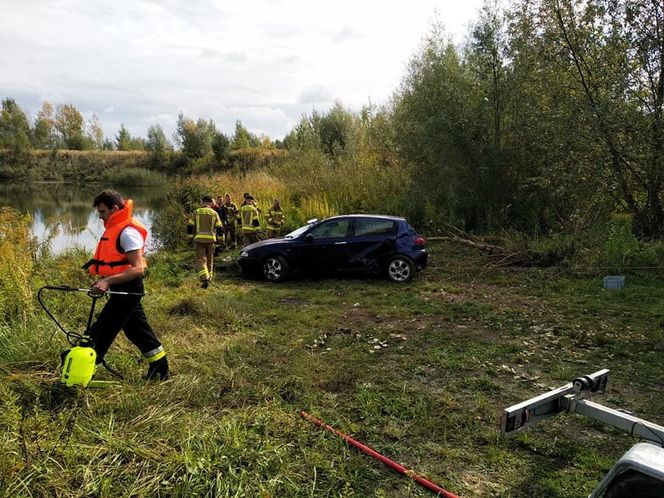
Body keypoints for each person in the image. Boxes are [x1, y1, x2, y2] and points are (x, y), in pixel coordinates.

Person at [83, 189, 169, 380]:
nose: (100, 217)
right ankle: (160, 367)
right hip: (121, 288)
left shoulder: (128, 232)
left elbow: (138, 268)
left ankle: (80, 374)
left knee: (101, 329)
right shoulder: (116, 228)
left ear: (114, 208)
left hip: (129, 289)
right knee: (136, 330)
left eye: (102, 212)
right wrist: (105, 281)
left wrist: (107, 281)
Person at [187, 195, 223, 288]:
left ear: (202, 202)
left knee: (201, 260)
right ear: (210, 203)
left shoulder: (196, 212)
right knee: (210, 261)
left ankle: (204, 279)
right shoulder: (214, 213)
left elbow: (190, 227)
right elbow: (220, 229)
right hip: (211, 240)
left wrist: (190, 238)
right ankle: (209, 279)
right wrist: (221, 241)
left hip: (200, 240)